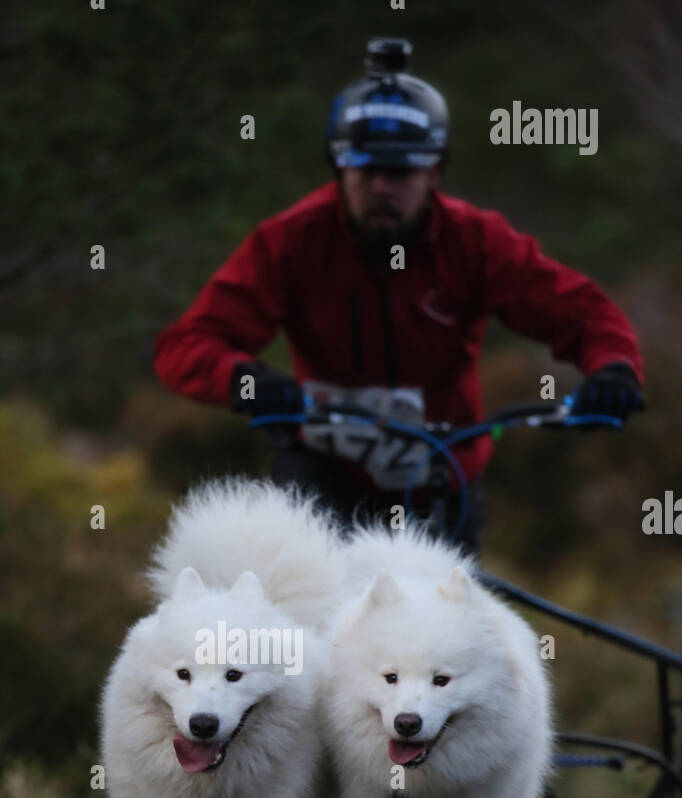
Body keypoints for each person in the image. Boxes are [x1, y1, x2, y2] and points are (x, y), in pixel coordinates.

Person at [153, 37, 644, 550]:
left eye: (401, 172)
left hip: (440, 477)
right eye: (367, 171)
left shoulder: (476, 242)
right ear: (340, 170)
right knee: (307, 616)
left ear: (434, 172)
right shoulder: (290, 243)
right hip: (323, 476)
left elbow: (580, 311)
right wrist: (245, 381)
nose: (382, 188)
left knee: (450, 626)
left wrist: (614, 369)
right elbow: (185, 344)